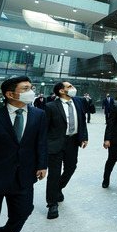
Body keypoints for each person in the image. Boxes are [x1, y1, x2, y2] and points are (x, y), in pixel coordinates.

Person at [0, 76, 47, 232]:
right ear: (10, 94)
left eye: (31, 87)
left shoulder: (38, 115)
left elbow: (41, 142)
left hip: (23, 174)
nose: (30, 91)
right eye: (25, 88)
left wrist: (42, 164)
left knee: (23, 212)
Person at [45, 81, 88, 220]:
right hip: (55, 143)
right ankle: (52, 204)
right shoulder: (50, 106)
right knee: (54, 173)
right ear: (61, 91)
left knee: (71, 167)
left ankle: (58, 188)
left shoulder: (77, 102)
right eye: (69, 86)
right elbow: (45, 128)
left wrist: (84, 137)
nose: (73, 88)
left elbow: (82, 119)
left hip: (73, 141)